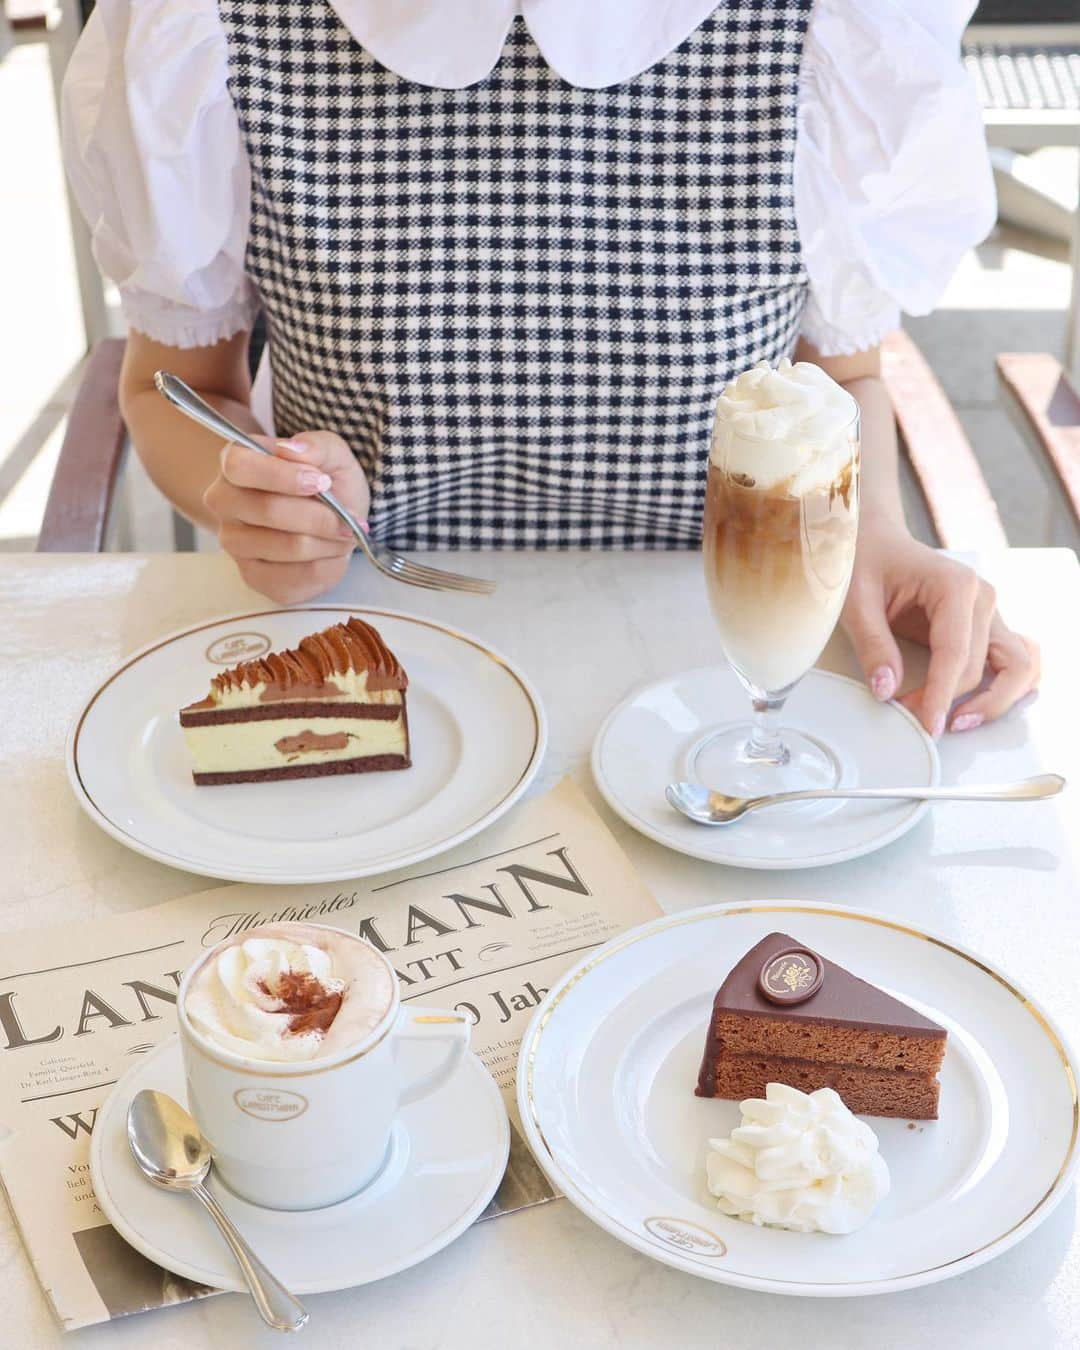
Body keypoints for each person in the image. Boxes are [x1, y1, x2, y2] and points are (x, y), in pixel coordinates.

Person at [62, 0, 1039, 737]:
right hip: (371, 657)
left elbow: (843, 374)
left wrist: (879, 540)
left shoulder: (831, 23)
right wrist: (244, 499)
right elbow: (166, 385)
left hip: (716, 665)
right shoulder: (214, 21)